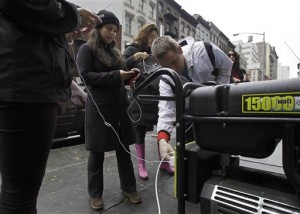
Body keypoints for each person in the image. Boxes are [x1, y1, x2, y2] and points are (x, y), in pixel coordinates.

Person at [0, 1, 99, 213]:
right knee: (20, 195)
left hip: (23, 82)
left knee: (16, 191)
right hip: (26, 85)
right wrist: (73, 14)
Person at [76, 10, 142, 210]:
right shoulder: (86, 50)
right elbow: (87, 77)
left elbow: (117, 76)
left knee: (124, 150)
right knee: (97, 153)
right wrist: (117, 75)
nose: (113, 33)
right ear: (98, 28)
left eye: (115, 30)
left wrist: (129, 75)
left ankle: (129, 187)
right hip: (99, 109)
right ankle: (95, 194)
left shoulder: (115, 52)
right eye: (109, 29)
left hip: (119, 108)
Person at [151, 36, 233, 161]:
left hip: (217, 105)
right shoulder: (166, 78)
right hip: (191, 113)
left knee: (221, 146)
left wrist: (216, 93)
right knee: (191, 153)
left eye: (173, 62)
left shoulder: (206, 50)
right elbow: (166, 109)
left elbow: (226, 66)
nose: (172, 69)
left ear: (179, 50)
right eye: (166, 67)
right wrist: (162, 139)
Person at [124, 24, 173, 179]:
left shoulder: (156, 53)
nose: (153, 39)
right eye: (150, 36)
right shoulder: (132, 49)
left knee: (161, 129)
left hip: (156, 97)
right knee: (139, 130)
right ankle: (141, 165)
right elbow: (121, 67)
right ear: (144, 35)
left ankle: (164, 162)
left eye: (155, 36)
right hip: (139, 99)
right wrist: (136, 57)